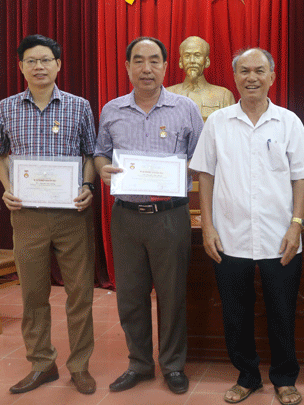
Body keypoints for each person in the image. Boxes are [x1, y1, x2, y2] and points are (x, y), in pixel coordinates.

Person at [189, 47, 304, 405]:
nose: (252, 77)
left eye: (259, 70)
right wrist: (207, 226)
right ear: (235, 77)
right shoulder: (218, 123)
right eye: (244, 71)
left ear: (272, 77)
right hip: (229, 236)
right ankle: (246, 376)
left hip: (281, 236)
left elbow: (302, 177)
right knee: (235, 312)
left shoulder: (288, 122)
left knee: (282, 311)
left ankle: (284, 378)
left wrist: (296, 225)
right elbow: (205, 175)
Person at [94, 36, 203, 395]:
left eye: (154, 60)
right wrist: (102, 168)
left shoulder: (185, 108)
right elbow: (100, 153)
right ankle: (139, 363)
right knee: (130, 295)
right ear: (127, 67)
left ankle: (172, 365)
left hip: (169, 214)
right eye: (138, 61)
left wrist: (181, 170)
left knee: (172, 296)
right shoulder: (112, 109)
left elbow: (201, 157)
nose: (146, 68)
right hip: (126, 217)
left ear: (166, 66)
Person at [0, 34, 97, 395]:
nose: (39, 66)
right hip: (27, 216)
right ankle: (42, 363)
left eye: (46, 60)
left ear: (58, 65)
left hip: (72, 215)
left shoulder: (79, 106)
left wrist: (88, 186)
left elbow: (90, 153)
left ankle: (80, 366)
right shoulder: (6, 108)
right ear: (21, 66)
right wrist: (8, 186)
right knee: (33, 294)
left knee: (80, 293)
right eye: (31, 61)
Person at [166, 36, 235, 121]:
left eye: (197, 56)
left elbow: (231, 127)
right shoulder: (167, 95)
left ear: (207, 61)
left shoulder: (224, 96)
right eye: (187, 56)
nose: (192, 60)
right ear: (180, 62)